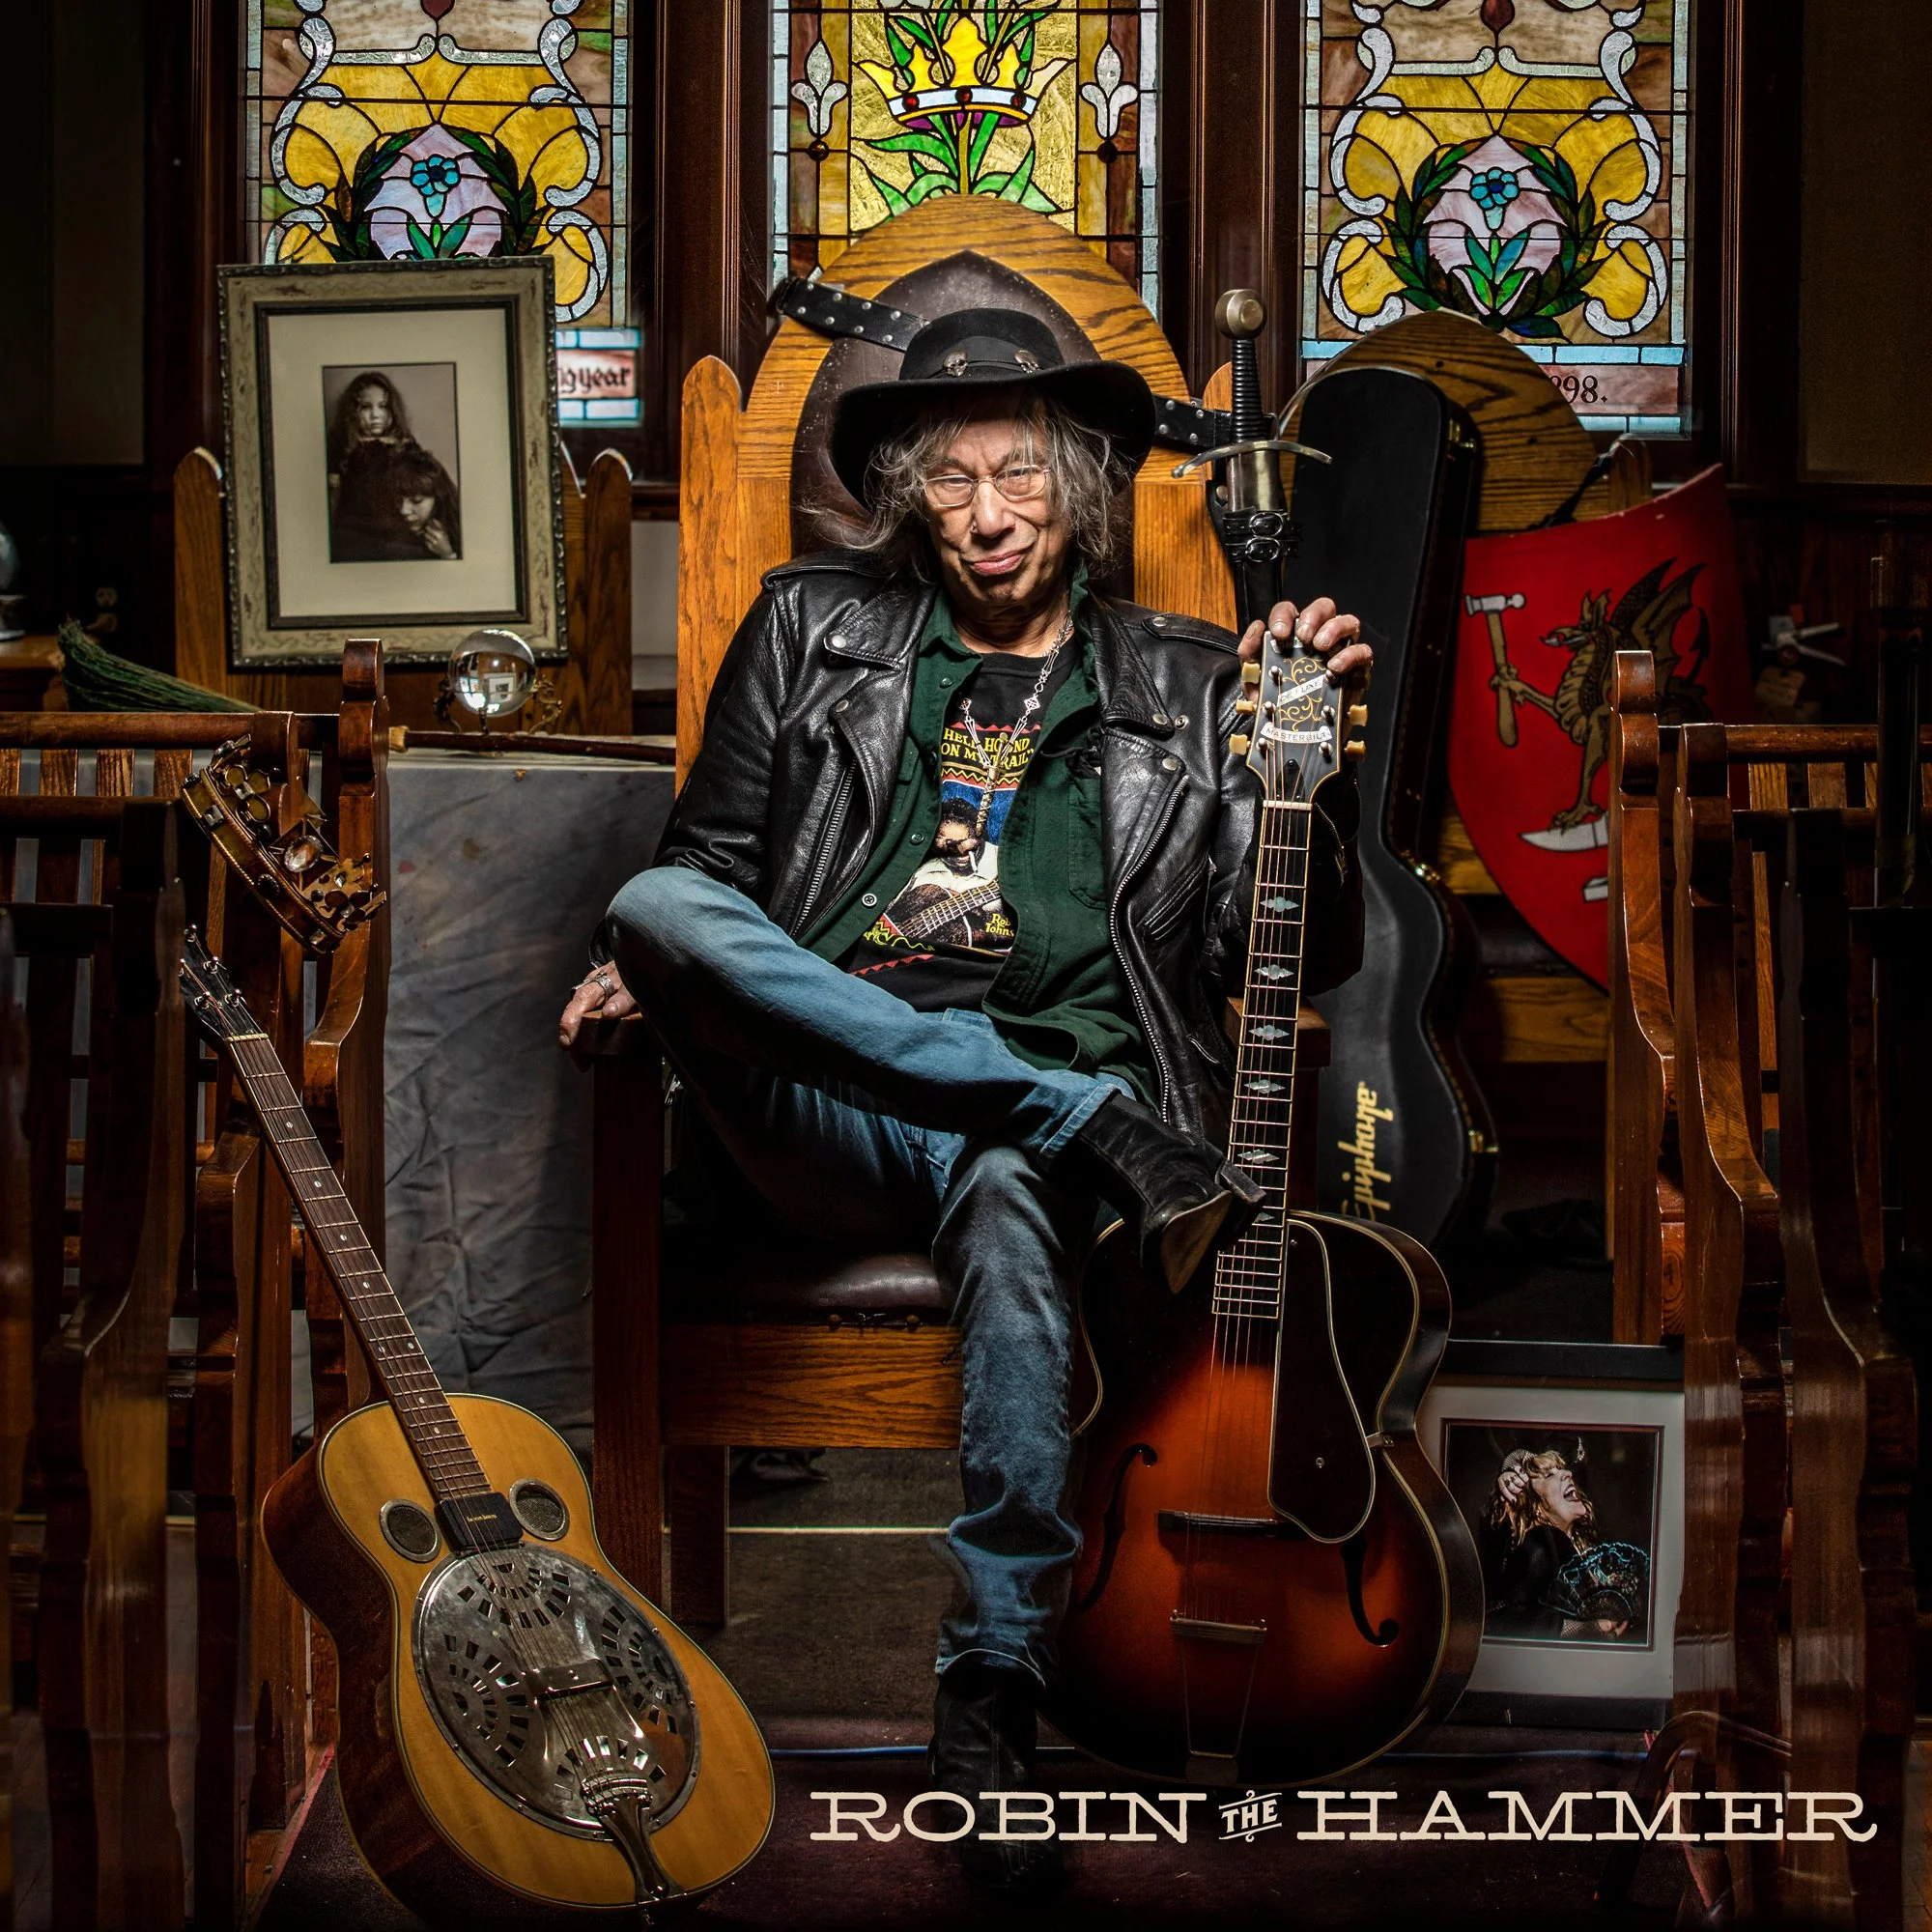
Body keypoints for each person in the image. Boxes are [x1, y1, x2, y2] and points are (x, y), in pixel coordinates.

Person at [556, 307, 1370, 1891]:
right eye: (949, 482)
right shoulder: (811, 631)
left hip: (1031, 1124)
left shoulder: (1191, 679)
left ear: (1077, 481)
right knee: (652, 924)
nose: (988, 515)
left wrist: (1305, 789)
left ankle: (992, 1686)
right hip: (829, 1103)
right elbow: (700, 879)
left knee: (1009, 1181)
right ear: (907, 501)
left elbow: (1278, 950)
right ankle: (1077, 1124)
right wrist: (636, 966)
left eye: (1018, 476)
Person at [1481, 1444, 1600, 1637]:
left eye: (1562, 1469)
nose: (1567, 1473)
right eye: (1550, 1475)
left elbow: (1574, 1442)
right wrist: (1588, 1628)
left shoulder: (1577, 1547)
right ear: (1535, 1506)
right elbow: (1505, 1620)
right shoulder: (1541, 1543)